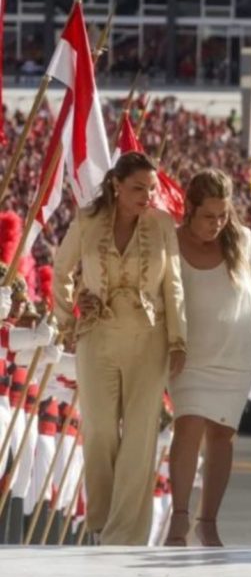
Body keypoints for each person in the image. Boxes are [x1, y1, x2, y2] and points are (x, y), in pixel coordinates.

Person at [53, 151, 187, 545]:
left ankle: (125, 534)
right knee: (97, 430)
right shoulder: (87, 220)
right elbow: (62, 270)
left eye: (151, 188)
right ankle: (101, 521)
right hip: (97, 335)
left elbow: (173, 284)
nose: (146, 195)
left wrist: (179, 339)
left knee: (141, 435)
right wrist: (68, 319)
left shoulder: (163, 224)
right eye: (137, 188)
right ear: (116, 184)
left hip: (150, 337)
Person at [165, 169, 251, 547]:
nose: (216, 224)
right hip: (190, 354)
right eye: (208, 216)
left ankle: (208, 521)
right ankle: (179, 518)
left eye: (222, 215)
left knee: (222, 436)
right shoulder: (170, 241)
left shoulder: (242, 240)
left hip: (236, 354)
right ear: (190, 210)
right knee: (188, 426)